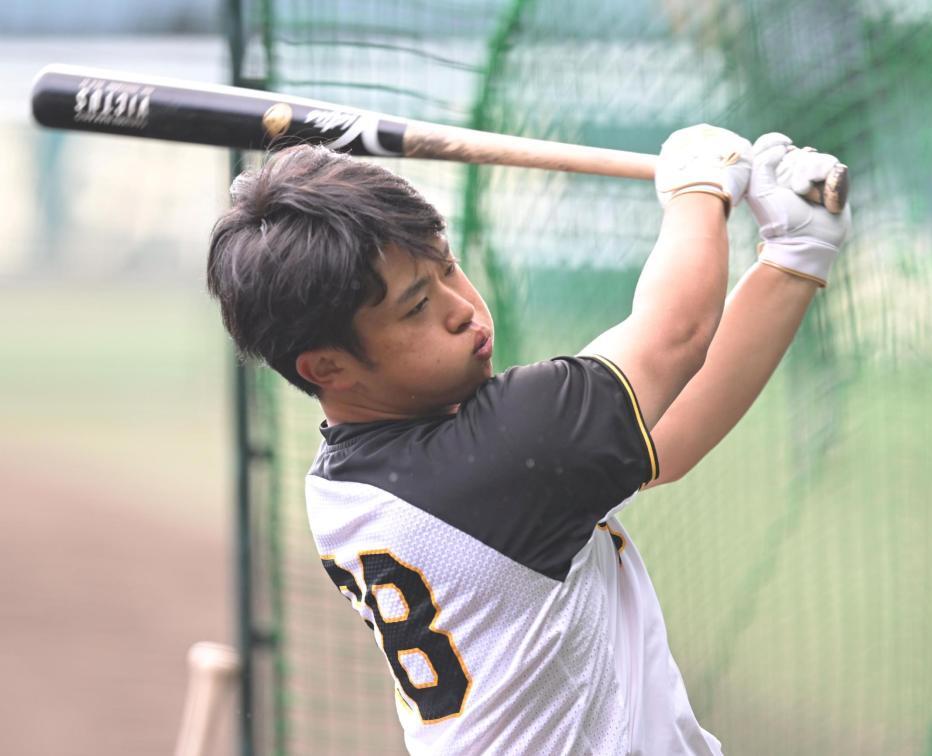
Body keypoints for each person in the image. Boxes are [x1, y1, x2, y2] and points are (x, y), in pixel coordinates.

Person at [207, 126, 851, 754]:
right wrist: (702, 182)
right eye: (415, 307)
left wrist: (795, 254)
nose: (462, 309)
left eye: (449, 268)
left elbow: (666, 443)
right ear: (327, 369)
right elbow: (676, 332)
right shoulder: (494, 459)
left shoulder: (352, 476)